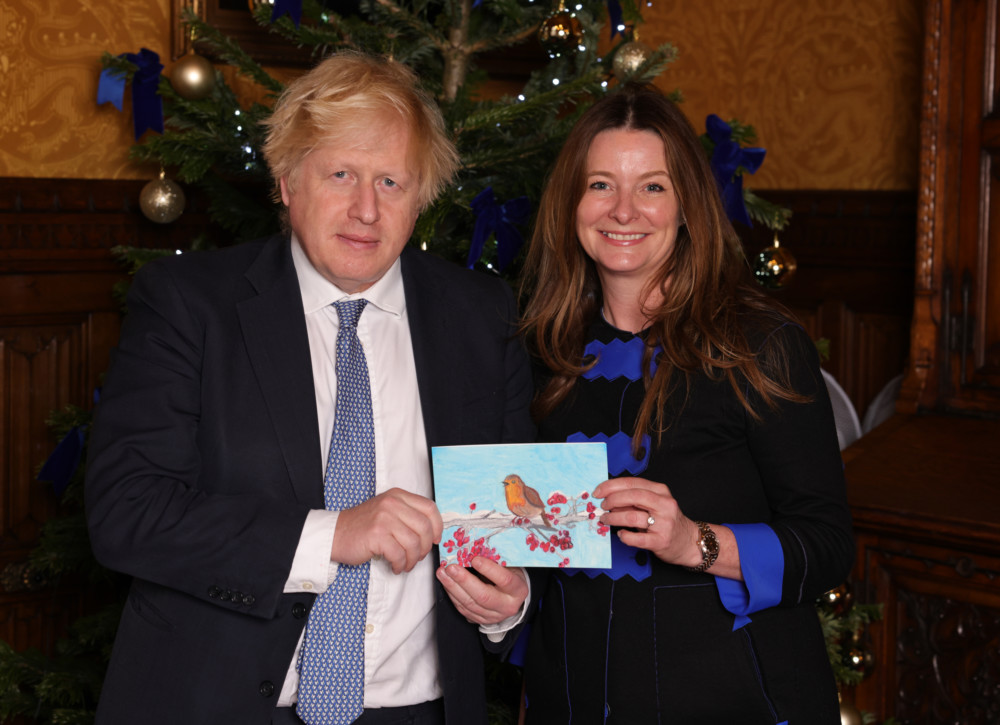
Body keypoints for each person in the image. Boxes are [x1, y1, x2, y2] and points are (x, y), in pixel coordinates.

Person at [85, 51, 534, 725]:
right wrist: (332, 535)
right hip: (224, 708)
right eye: (341, 174)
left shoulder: (482, 316)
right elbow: (128, 512)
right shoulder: (188, 304)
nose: (366, 209)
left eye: (391, 181)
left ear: (420, 199)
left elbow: (513, 518)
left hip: (420, 709)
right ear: (287, 183)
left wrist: (509, 604)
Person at [515, 84, 855, 723]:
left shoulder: (760, 344)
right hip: (572, 697)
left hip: (737, 699)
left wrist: (696, 542)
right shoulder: (537, 351)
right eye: (600, 185)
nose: (623, 210)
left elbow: (829, 545)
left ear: (687, 206)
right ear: (570, 204)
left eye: (652, 186)